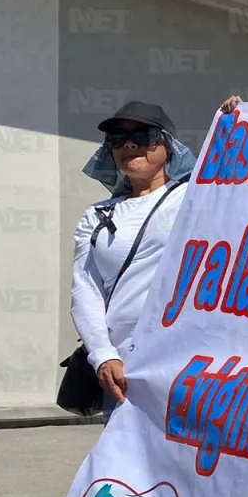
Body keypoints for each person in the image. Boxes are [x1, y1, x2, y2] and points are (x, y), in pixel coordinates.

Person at [71, 102, 197, 420]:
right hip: (124, 373)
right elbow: (86, 291)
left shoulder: (197, 198)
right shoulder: (98, 215)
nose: (128, 145)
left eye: (143, 135)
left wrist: (237, 121)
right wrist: (102, 356)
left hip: (187, 369)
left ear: (168, 146)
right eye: (117, 138)